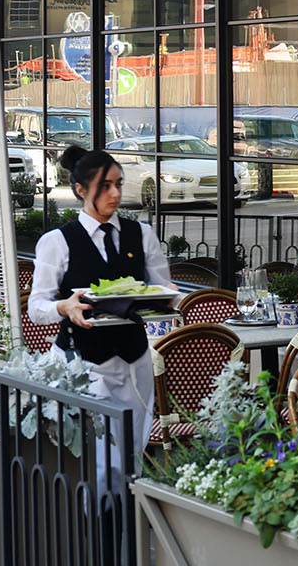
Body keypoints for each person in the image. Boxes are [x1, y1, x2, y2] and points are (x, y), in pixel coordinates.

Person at [27, 144, 180, 458]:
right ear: (82, 190)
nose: (115, 194)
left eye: (118, 184)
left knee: (131, 455)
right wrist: (64, 307)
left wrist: (167, 294)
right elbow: (36, 307)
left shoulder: (143, 235)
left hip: (134, 360)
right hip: (83, 362)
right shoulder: (56, 243)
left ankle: (126, 506)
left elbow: (159, 284)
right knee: (94, 460)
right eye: (105, 186)